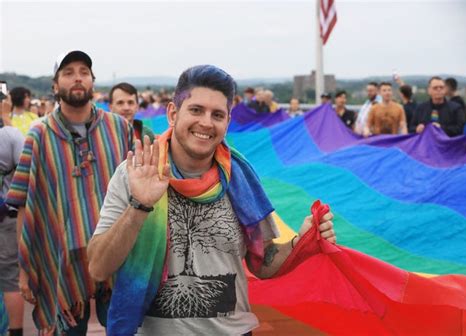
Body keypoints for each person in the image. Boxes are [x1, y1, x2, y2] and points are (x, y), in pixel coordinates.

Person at [87, 65, 336, 335]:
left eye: (217, 115)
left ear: (227, 122)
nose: (206, 122)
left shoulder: (241, 179)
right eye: (196, 110)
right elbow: (99, 267)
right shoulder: (135, 172)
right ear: (173, 113)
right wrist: (139, 207)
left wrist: (302, 242)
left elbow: (263, 264)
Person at [6, 50, 134, 335]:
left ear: (92, 82)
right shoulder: (39, 136)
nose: (77, 77)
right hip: (60, 262)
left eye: (84, 72)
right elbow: (23, 204)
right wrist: (25, 269)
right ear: (55, 86)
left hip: (116, 255)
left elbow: (139, 190)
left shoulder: (119, 129)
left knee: (123, 328)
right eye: (68, 72)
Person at [0, 125, 25, 336]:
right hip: (7, 217)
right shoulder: (9, 134)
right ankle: (15, 331)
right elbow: (27, 169)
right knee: (10, 277)